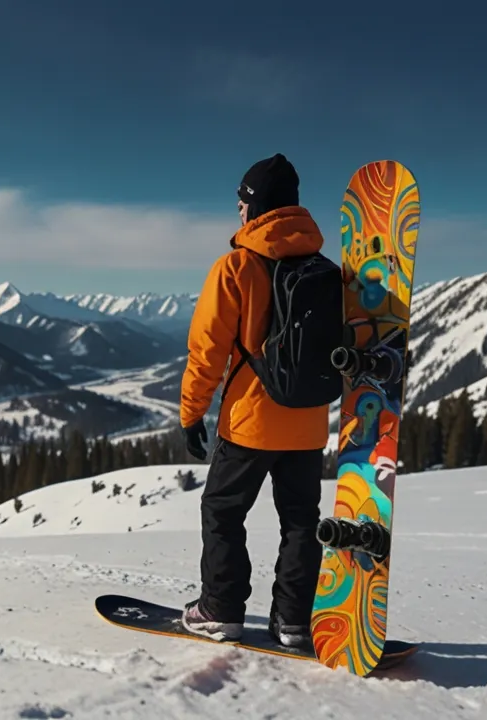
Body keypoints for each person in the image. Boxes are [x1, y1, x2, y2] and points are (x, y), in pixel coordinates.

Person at [178, 153, 330, 649]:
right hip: (308, 423)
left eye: (241, 203)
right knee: (301, 522)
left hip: (250, 423)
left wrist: (191, 413)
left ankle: (220, 610)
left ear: (252, 207)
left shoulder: (237, 266)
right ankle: (294, 622)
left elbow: (207, 351)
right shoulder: (329, 272)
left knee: (222, 512)